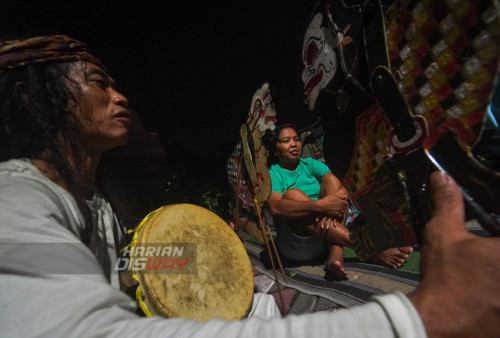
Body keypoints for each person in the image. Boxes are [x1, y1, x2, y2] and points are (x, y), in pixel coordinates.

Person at [1, 34, 500, 338]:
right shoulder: (15, 200)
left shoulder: (93, 204)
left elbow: (122, 263)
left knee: (279, 293)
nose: (119, 95)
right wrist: (425, 321)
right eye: (97, 82)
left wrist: (218, 264)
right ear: (41, 100)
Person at [265, 124, 413, 279]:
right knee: (293, 195)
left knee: (331, 180)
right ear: (275, 149)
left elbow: (342, 189)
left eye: (296, 139)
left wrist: (330, 204)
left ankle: (335, 251)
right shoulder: (273, 173)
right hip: (300, 245)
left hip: (324, 234)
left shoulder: (309, 164)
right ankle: (369, 248)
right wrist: (321, 206)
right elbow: (275, 207)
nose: (294, 144)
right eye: (286, 140)